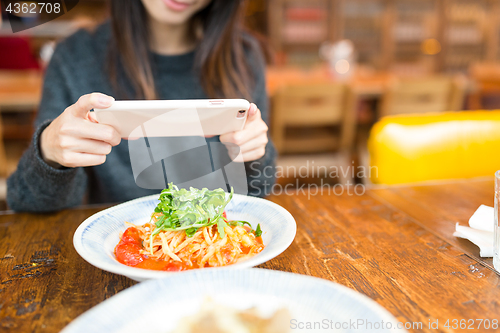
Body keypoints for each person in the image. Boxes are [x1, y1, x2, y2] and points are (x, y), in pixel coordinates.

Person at [7, 0, 276, 212]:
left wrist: (256, 154)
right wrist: (49, 153)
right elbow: (27, 203)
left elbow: (260, 189)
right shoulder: (75, 58)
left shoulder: (244, 56)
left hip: (217, 253)